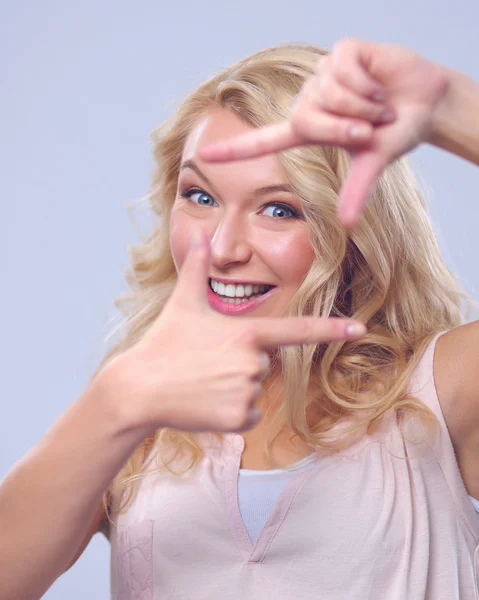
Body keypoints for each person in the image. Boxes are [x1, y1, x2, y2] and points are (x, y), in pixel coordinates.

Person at [1, 39, 478, 600]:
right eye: (199, 196)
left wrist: (456, 110)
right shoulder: (139, 418)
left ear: (354, 229)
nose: (223, 247)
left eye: (279, 209)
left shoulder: (440, 390)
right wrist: (118, 400)